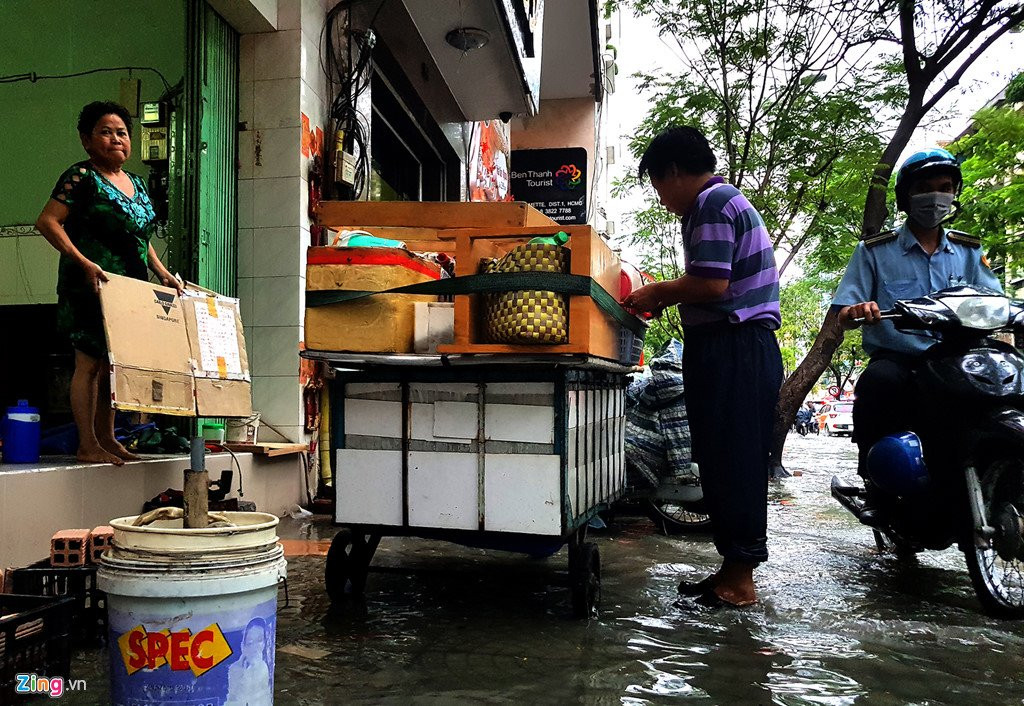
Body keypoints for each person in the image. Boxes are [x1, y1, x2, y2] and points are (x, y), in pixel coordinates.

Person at [623, 126, 783, 608]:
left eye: (657, 184)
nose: (661, 197)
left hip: (734, 345)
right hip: (737, 346)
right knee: (724, 459)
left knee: (732, 460)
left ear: (672, 171)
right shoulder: (726, 202)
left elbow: (712, 284)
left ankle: (739, 581)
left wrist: (658, 292)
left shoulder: (711, 203)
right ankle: (732, 572)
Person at [831, 147, 1001, 525]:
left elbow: (995, 300)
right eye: (925, 188)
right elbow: (843, 314)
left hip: (959, 358)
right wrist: (858, 312)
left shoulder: (969, 251)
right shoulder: (874, 251)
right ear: (906, 197)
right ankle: (875, 486)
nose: (936, 196)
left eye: (945, 187)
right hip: (902, 359)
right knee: (878, 383)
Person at [35, 101, 181, 466]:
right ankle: (87, 444)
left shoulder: (136, 182)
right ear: (87, 140)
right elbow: (48, 222)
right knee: (88, 363)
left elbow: (138, 234)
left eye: (122, 132)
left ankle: (108, 438)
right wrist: (84, 262)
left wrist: (161, 270)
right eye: (105, 131)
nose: (116, 139)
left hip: (127, 289)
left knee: (112, 365)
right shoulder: (81, 176)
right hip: (89, 282)